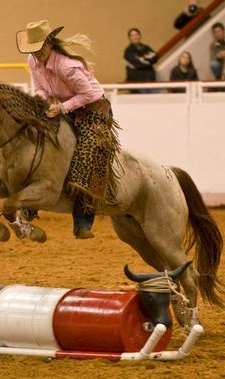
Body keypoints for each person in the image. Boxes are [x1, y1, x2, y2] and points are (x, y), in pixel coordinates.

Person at [16, 20, 120, 239]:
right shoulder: (33, 61)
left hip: (94, 108)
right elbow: (40, 88)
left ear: (49, 44)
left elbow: (90, 94)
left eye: (39, 49)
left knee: (88, 154)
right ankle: (31, 200)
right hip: (67, 107)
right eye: (32, 50)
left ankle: (83, 220)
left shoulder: (66, 66)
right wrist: (42, 104)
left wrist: (62, 107)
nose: (35, 54)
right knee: (37, 139)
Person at [124, 28, 158, 93]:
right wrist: (148, 59)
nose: (135, 37)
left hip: (150, 81)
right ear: (129, 38)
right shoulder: (128, 51)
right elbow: (137, 64)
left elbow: (155, 57)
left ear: (140, 36)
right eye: (132, 35)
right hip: (137, 84)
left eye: (136, 35)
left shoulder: (146, 48)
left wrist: (143, 59)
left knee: (154, 102)